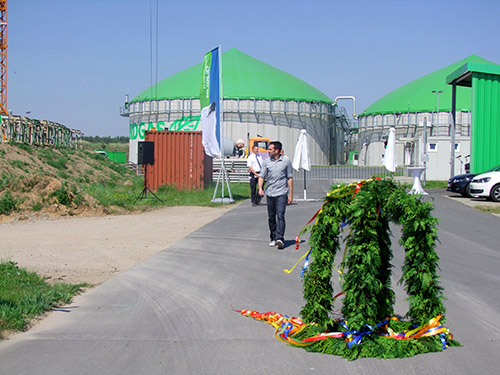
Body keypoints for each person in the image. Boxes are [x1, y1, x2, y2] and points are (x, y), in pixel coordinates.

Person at [258, 141, 293, 250]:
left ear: (277, 151)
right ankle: (273, 237)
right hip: (270, 193)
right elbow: (261, 176)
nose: (268, 151)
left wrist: (290, 194)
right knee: (271, 217)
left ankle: (280, 238)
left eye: (270, 149)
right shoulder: (266, 162)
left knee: (280, 215)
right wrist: (260, 188)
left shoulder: (286, 161)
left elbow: (290, 178)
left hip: (282, 193)